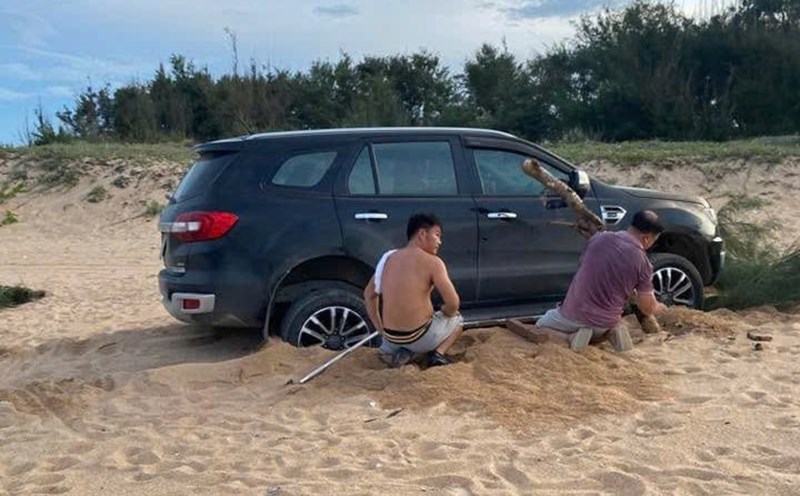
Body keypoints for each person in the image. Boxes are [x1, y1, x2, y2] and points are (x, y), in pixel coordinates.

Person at [526, 210, 668, 352]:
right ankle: (613, 332)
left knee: (540, 326)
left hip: (573, 316)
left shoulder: (598, 239)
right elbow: (647, 307)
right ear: (646, 239)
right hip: (606, 322)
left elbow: (583, 266)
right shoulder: (643, 264)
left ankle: (569, 338)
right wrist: (660, 307)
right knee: (608, 322)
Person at [363, 213, 464, 368]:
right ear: (422, 234)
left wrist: (380, 329)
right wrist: (446, 312)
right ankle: (438, 354)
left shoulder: (388, 258)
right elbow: (453, 303)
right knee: (458, 320)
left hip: (390, 341)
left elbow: (369, 295)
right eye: (437, 235)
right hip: (421, 338)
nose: (440, 242)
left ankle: (405, 353)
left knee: (408, 338)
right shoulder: (433, 262)